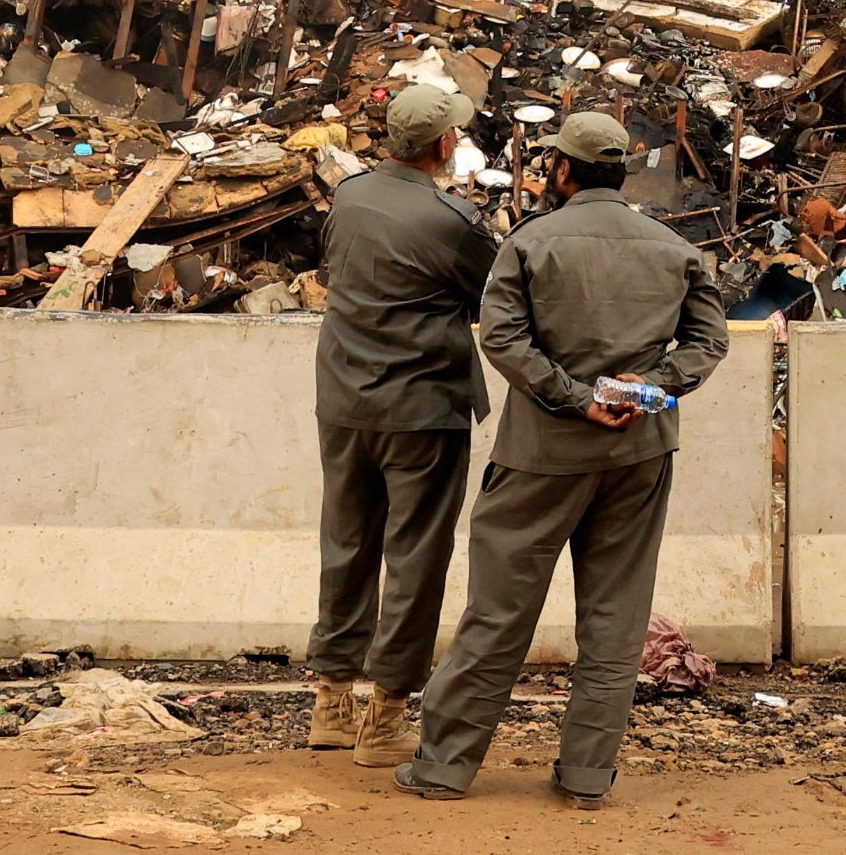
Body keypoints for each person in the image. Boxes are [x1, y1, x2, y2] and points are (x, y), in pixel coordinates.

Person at [397, 108, 729, 807]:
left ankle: (445, 766)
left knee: (498, 614)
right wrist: (654, 387)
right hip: (639, 453)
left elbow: (505, 339)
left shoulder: (530, 242)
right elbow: (708, 341)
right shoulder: (672, 247)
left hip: (541, 457)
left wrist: (575, 397)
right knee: (615, 621)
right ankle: (585, 777)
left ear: (564, 169)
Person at [305, 79, 495, 770]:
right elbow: (497, 293)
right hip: (423, 409)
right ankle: (384, 716)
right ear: (443, 144)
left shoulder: (349, 195)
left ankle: (330, 699)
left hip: (345, 400)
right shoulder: (454, 220)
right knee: (414, 556)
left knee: (347, 541)